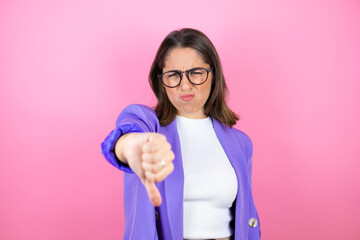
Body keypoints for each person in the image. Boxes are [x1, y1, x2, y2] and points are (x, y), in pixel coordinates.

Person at [101, 28, 261, 240]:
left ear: (213, 75)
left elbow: (245, 216)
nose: (185, 85)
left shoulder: (240, 143)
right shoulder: (149, 126)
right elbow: (126, 135)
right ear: (161, 81)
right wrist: (131, 146)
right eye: (173, 75)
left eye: (195, 72)